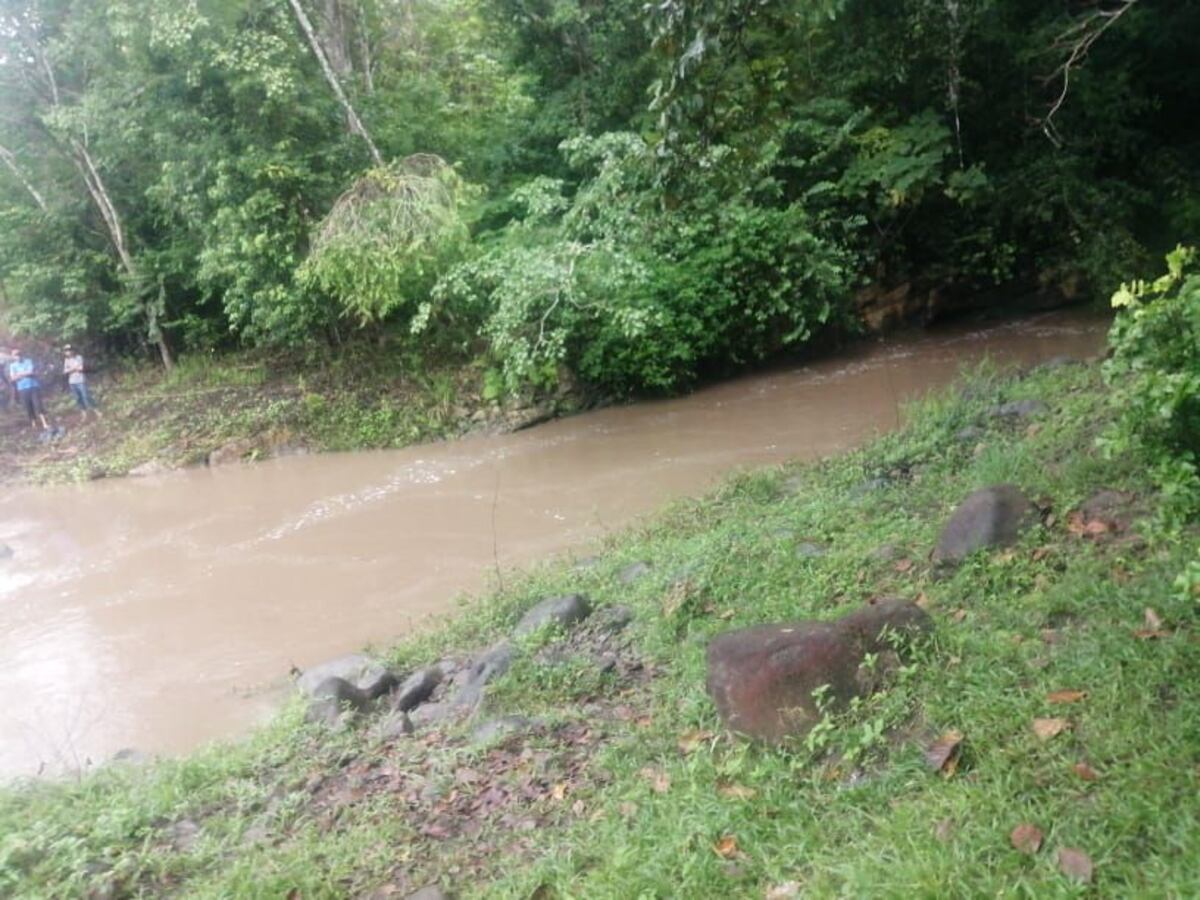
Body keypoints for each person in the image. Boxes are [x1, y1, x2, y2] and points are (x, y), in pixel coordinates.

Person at [7, 348, 50, 431]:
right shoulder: (12, 366)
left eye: (19, 354)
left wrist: (19, 375)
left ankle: (44, 423)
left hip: (33, 386)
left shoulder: (28, 361)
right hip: (22, 388)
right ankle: (33, 423)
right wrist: (24, 374)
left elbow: (30, 372)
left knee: (38, 405)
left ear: (21, 354)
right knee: (28, 406)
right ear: (13, 357)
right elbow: (13, 378)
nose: (18, 356)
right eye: (15, 355)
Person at [62, 344, 100, 420]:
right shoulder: (66, 360)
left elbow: (81, 368)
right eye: (66, 351)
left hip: (80, 381)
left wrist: (70, 369)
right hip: (72, 382)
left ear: (72, 350)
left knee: (86, 396)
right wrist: (74, 369)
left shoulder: (78, 357)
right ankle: (84, 415)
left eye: (69, 350)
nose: (68, 352)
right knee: (78, 399)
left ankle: (97, 412)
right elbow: (65, 371)